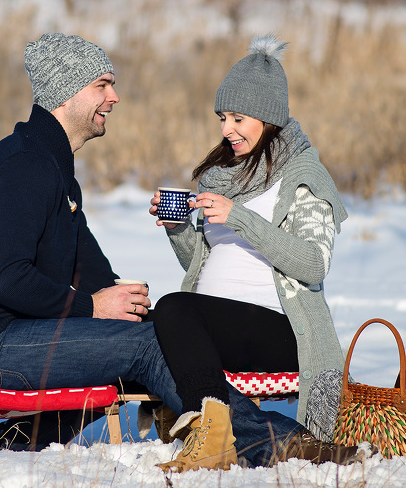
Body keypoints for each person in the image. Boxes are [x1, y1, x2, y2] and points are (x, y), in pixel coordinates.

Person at [0, 32, 356, 469]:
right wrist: (93, 306)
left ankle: (14, 442)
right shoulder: (27, 166)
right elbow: (6, 277)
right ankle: (281, 445)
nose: (114, 96)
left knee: (146, 333)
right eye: (102, 85)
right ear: (66, 93)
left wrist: (122, 301)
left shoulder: (51, 166)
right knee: (149, 345)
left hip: (3, 336)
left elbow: (85, 267)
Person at [148, 35, 355, 472]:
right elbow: (200, 264)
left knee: (174, 309)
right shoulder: (223, 176)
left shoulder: (303, 175)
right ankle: (213, 424)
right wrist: (178, 227)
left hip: (279, 326)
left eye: (238, 118)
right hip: (222, 324)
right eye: (222, 117)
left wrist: (240, 218)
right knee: (155, 319)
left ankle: (211, 429)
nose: (226, 129)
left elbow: (313, 263)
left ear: (269, 119)